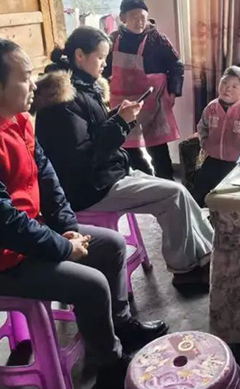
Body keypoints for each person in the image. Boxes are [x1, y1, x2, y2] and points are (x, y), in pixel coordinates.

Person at [0, 36, 167, 389]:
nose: (35, 85)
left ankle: (121, 325)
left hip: (29, 234)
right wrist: (62, 248)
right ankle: (110, 366)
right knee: (91, 284)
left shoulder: (17, 119)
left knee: (112, 245)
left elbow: (48, 178)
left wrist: (67, 228)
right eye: (25, 77)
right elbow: (1, 224)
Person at [33, 27, 213, 287]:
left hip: (106, 175)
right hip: (90, 188)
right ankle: (185, 271)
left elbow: (92, 133)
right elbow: (85, 155)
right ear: (80, 55)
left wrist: (118, 117)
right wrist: (119, 122)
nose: (104, 64)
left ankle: (207, 255)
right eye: (100, 57)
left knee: (179, 193)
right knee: (173, 194)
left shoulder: (82, 87)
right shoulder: (62, 101)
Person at [103, 0, 183, 179]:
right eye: (134, 17)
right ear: (123, 18)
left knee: (158, 149)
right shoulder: (113, 40)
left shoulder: (158, 39)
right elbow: (104, 69)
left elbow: (176, 65)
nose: (139, 22)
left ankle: (166, 182)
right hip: (123, 103)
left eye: (143, 17)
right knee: (128, 147)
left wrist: (173, 92)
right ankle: (146, 178)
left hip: (153, 102)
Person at [193, 66, 240, 206]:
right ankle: (196, 216)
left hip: (236, 163)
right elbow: (202, 126)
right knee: (198, 193)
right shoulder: (211, 108)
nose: (227, 89)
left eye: (234, 86)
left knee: (228, 199)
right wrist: (205, 143)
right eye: (224, 83)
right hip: (213, 159)